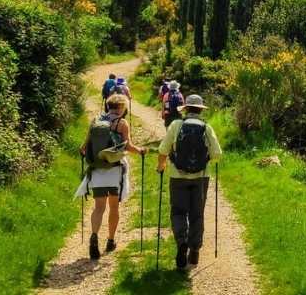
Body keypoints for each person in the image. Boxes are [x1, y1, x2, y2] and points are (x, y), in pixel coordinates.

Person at [157, 94, 222, 269]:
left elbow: (163, 149)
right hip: (201, 177)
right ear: (200, 110)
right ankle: (194, 251)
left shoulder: (176, 125)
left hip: (177, 177)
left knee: (178, 212)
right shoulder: (206, 127)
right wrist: (206, 160)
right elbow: (217, 154)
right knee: (197, 214)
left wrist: (161, 165)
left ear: (185, 109)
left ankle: (181, 242)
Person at [80, 94, 146, 260]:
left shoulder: (96, 122)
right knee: (114, 207)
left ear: (108, 106)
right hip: (115, 170)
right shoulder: (122, 123)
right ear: (122, 108)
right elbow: (128, 146)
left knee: (99, 207)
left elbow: (83, 148)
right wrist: (141, 151)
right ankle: (110, 240)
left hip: (97, 171)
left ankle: (94, 236)